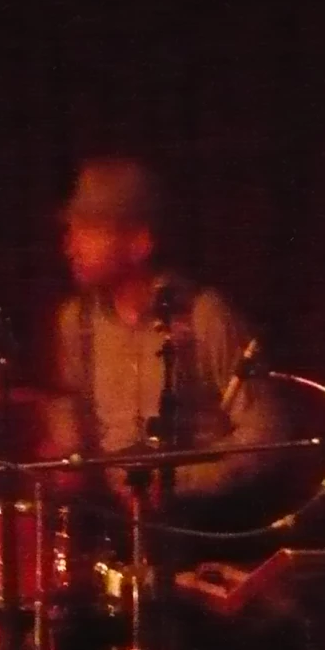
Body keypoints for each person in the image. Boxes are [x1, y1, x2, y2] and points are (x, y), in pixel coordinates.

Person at [39, 156, 287, 510]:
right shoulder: (76, 321)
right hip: (112, 528)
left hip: (198, 527)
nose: (70, 246)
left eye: (87, 230)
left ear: (140, 242)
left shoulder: (204, 314)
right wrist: (68, 457)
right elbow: (66, 410)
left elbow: (266, 435)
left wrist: (177, 482)